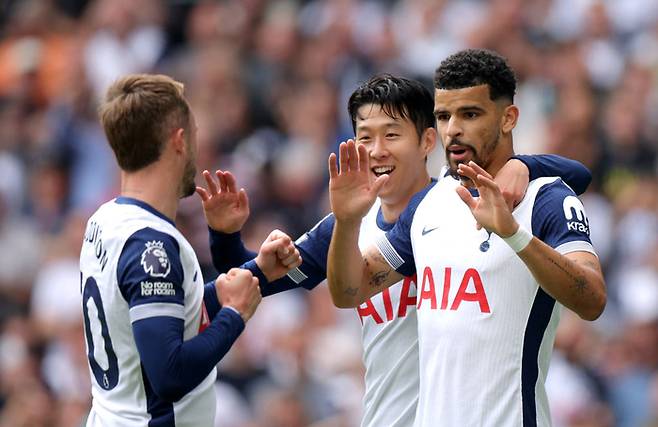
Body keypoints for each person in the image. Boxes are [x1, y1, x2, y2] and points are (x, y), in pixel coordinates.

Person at [205, 74, 594, 427]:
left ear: (428, 141)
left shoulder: (456, 204)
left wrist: (522, 164)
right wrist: (226, 237)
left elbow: (577, 174)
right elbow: (245, 283)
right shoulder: (345, 228)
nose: (376, 151)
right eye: (364, 137)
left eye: (391, 135)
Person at [326, 51, 607, 426]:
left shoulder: (547, 199)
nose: (452, 130)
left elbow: (592, 300)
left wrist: (514, 235)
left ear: (508, 118)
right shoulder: (429, 203)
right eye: (443, 116)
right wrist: (347, 221)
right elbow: (349, 292)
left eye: (469, 115)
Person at [79, 74, 300, 427]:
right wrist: (234, 315)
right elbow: (170, 374)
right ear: (179, 141)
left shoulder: (104, 220)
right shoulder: (151, 244)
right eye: (194, 134)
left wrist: (254, 273)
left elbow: (167, 318)